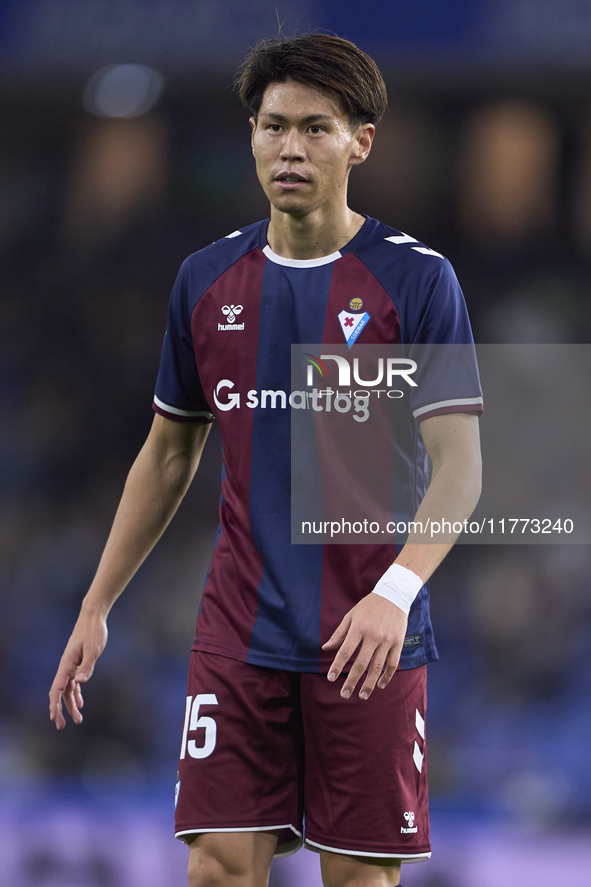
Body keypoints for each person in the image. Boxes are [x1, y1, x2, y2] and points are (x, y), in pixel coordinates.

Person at [49, 33, 483, 887]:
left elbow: (460, 465)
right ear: (250, 134)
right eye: (273, 126)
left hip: (367, 636)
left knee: (358, 877)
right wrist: (97, 602)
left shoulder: (416, 280)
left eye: (315, 128)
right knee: (215, 866)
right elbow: (169, 453)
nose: (290, 148)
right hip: (239, 629)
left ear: (360, 141)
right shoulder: (206, 281)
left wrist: (394, 595)